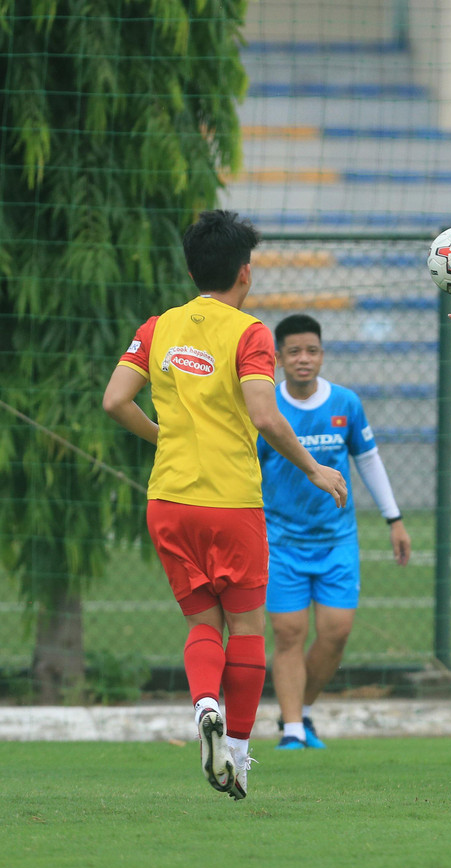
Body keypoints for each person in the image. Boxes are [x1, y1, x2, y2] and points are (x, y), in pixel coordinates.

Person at [102, 210, 347, 800]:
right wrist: (314, 467)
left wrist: (165, 437)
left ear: (191, 269)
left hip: (168, 501)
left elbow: (114, 401)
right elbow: (265, 414)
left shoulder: (158, 327)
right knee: (245, 628)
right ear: (246, 272)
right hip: (231, 503)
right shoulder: (250, 333)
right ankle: (236, 754)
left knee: (200, 624)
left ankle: (204, 704)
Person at [258, 314, 412, 750]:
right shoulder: (265, 409)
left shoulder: (345, 403)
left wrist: (394, 518)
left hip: (337, 540)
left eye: (311, 351)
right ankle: (291, 729)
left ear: (322, 355)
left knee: (336, 632)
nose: (303, 359)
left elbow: (368, 460)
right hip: (280, 541)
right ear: (279, 358)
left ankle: (301, 710)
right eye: (294, 352)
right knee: (289, 634)